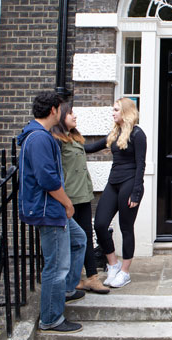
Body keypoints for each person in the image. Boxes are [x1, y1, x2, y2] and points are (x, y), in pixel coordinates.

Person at [17, 91, 86, 334]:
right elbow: (47, 179)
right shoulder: (39, 139)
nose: (64, 112)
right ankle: (51, 318)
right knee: (56, 266)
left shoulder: (40, 136)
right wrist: (67, 203)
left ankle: (66, 290)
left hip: (52, 208)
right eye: (61, 108)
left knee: (79, 240)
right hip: (50, 209)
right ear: (54, 110)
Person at [50, 103, 110, 294]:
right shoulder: (56, 141)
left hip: (82, 195)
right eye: (70, 114)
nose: (74, 116)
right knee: (71, 240)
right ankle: (73, 279)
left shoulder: (73, 138)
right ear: (61, 118)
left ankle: (91, 277)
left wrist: (112, 136)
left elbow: (90, 148)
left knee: (84, 237)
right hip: (68, 198)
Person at [91, 98, 146, 288]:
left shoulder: (138, 134)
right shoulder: (115, 133)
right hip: (113, 183)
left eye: (116, 109)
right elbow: (90, 147)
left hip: (130, 184)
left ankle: (125, 272)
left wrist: (136, 193)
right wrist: (65, 141)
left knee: (126, 227)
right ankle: (112, 264)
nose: (112, 113)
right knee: (99, 224)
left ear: (126, 112)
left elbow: (141, 165)